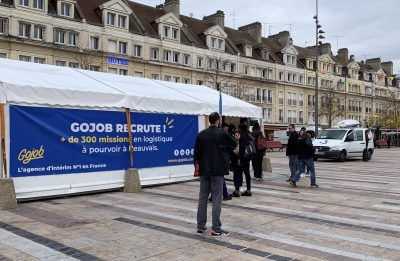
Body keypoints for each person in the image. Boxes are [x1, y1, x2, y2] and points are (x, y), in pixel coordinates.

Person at [195, 112, 236, 236]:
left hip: (204, 170)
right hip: (218, 170)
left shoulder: (201, 134)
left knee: (202, 198)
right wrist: (224, 150)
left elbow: (196, 153)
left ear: (209, 120)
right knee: (217, 198)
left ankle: (200, 226)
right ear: (218, 120)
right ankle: (216, 228)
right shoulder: (222, 133)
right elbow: (234, 144)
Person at [232, 123, 254, 197]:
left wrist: (238, 158)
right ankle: (248, 190)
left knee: (238, 174)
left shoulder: (240, 136)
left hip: (240, 158)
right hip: (247, 158)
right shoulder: (249, 135)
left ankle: (237, 190)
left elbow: (240, 148)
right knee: (247, 174)